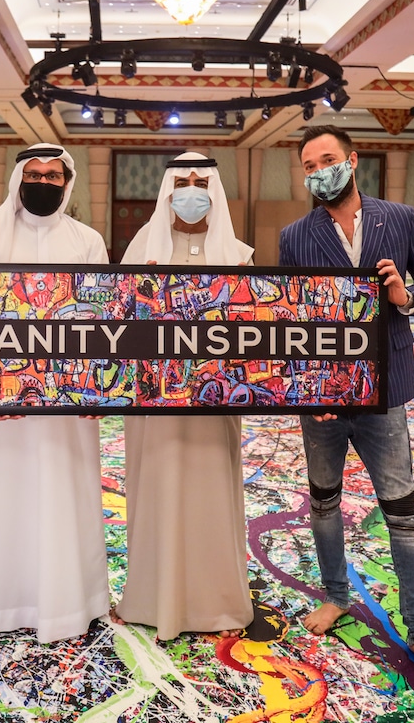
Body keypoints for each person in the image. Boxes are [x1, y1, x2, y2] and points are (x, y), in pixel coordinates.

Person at [278, 124, 414, 684]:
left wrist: (406, 297)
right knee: (324, 504)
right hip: (324, 399)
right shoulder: (295, 236)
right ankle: (336, 595)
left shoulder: (398, 219)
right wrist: (306, 388)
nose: (318, 172)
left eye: (326, 160)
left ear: (352, 161)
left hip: (385, 392)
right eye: (309, 166)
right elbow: (288, 319)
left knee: (402, 512)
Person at [0, 143, 110, 643]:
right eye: (34, 175)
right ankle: (6, 603)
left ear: (66, 183)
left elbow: (100, 324)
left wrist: (95, 392)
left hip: (71, 406)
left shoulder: (87, 240)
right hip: (8, 406)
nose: (43, 183)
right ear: (18, 181)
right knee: (12, 493)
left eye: (52, 176)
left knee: (70, 493)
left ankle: (74, 604)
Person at [112, 153, 255, 640]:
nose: (192, 192)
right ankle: (152, 598)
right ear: (167, 191)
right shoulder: (141, 249)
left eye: (201, 183)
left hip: (214, 404)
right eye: (182, 183)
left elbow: (252, 332)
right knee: (158, 486)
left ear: (215, 190)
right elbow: (118, 327)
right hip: (155, 407)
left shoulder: (238, 254)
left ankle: (217, 604)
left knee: (210, 492)